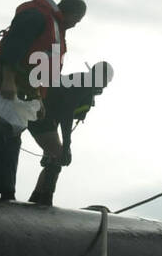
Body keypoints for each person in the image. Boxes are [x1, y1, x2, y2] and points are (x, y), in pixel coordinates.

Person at [0, 0, 86, 200]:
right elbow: (13, 46)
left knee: (12, 140)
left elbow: (44, 69)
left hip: (23, 92)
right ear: (70, 13)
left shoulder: (56, 29)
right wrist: (7, 79)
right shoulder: (37, 15)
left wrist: (39, 99)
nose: (75, 25)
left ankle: (7, 190)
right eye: (76, 20)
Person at [27, 61, 113, 206]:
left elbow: (60, 108)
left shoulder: (83, 81)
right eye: (106, 80)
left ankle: (36, 198)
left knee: (53, 158)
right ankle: (45, 200)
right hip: (40, 116)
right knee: (60, 156)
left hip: (45, 118)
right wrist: (67, 145)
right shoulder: (85, 83)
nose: (106, 85)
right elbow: (66, 113)